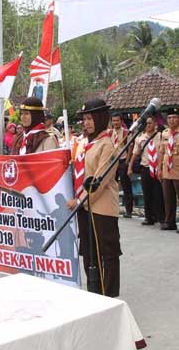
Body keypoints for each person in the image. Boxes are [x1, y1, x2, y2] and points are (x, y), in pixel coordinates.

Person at [69, 98, 121, 297]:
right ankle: (94, 291)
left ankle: (109, 294)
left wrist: (79, 200)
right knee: (89, 253)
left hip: (102, 208)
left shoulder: (107, 145)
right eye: (85, 119)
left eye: (91, 118)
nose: (87, 123)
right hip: (84, 207)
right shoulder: (86, 144)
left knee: (107, 252)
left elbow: (99, 181)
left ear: (100, 118)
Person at [129, 116, 164, 226]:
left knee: (158, 194)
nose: (148, 125)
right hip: (146, 167)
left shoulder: (161, 136)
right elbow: (135, 153)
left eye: (150, 123)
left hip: (157, 168)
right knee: (147, 193)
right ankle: (149, 217)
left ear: (155, 124)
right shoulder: (140, 138)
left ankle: (161, 217)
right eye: (146, 124)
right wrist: (130, 167)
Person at [160, 108, 179, 231]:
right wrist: (159, 168)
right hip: (167, 168)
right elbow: (161, 151)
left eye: (174, 117)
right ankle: (169, 221)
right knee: (168, 197)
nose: (172, 120)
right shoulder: (164, 133)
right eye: (169, 118)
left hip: (178, 168)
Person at [111, 112, 134, 218]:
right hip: (112, 162)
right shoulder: (109, 133)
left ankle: (128, 210)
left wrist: (127, 162)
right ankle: (113, 208)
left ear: (121, 121)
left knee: (126, 186)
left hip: (122, 161)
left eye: (117, 120)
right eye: (113, 120)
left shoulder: (126, 133)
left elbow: (130, 147)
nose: (115, 122)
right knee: (112, 186)